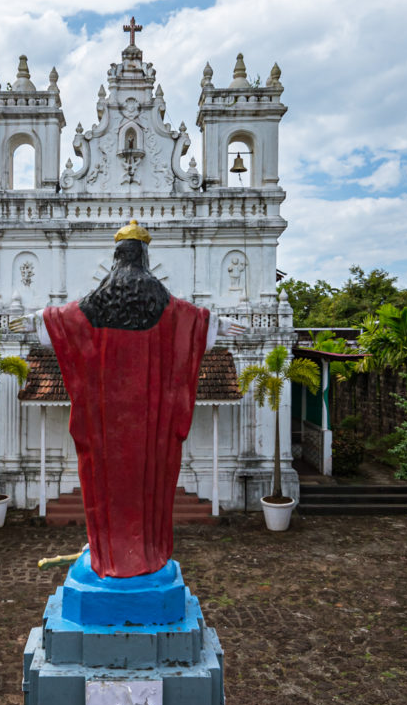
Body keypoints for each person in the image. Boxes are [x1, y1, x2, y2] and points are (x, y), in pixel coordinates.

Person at [14, 220, 242, 578]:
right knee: (148, 484)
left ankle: (107, 549)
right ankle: (146, 552)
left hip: (106, 426)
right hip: (149, 429)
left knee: (105, 484)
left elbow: (64, 320)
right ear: (144, 257)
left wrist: (36, 321)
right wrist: (216, 324)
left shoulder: (97, 303)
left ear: (117, 257)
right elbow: (190, 320)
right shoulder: (161, 301)